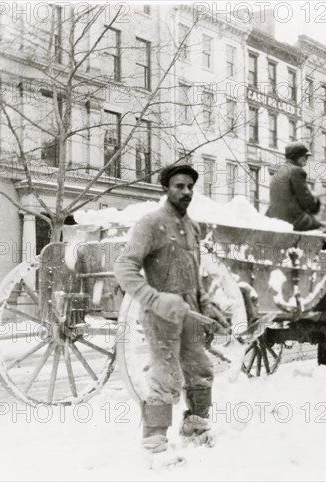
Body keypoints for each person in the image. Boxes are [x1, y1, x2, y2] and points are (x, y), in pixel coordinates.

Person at [114, 164, 228, 454]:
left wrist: (207, 305)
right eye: (179, 186)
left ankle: (196, 426)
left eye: (190, 186)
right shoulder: (150, 224)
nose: (186, 191)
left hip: (189, 312)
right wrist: (154, 299)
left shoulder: (192, 227)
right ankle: (154, 441)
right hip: (160, 313)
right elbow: (124, 267)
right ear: (165, 188)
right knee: (166, 375)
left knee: (201, 370)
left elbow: (195, 272)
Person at [266, 141, 322, 231]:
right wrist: (316, 200)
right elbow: (307, 202)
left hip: (273, 218)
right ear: (297, 156)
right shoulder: (297, 171)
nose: (306, 159)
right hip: (292, 219)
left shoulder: (279, 171)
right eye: (305, 156)